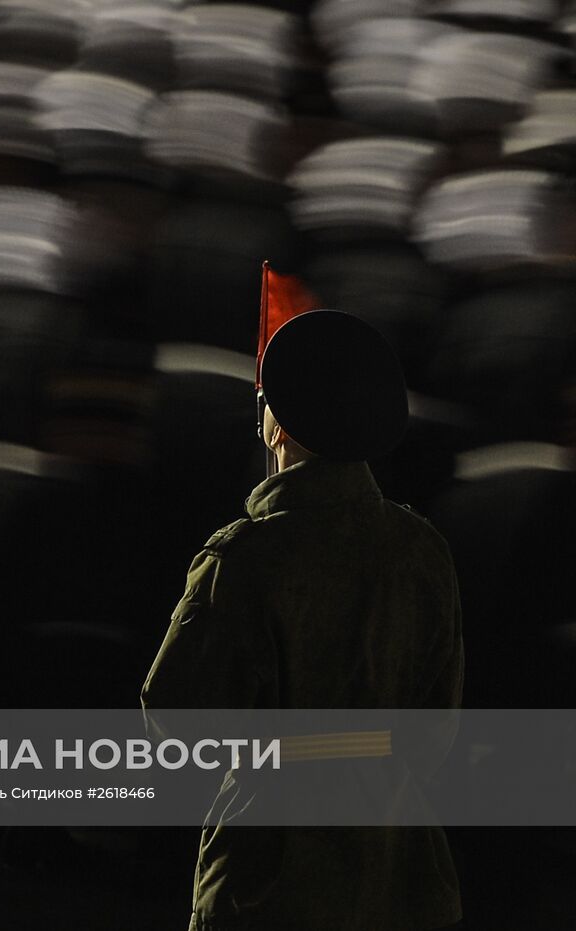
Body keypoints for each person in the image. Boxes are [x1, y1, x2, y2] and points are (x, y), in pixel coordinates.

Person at [142, 309, 465, 931]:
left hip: (267, 880)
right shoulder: (423, 549)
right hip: (401, 872)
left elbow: (176, 725)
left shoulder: (244, 557)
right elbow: (434, 730)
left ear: (277, 425)